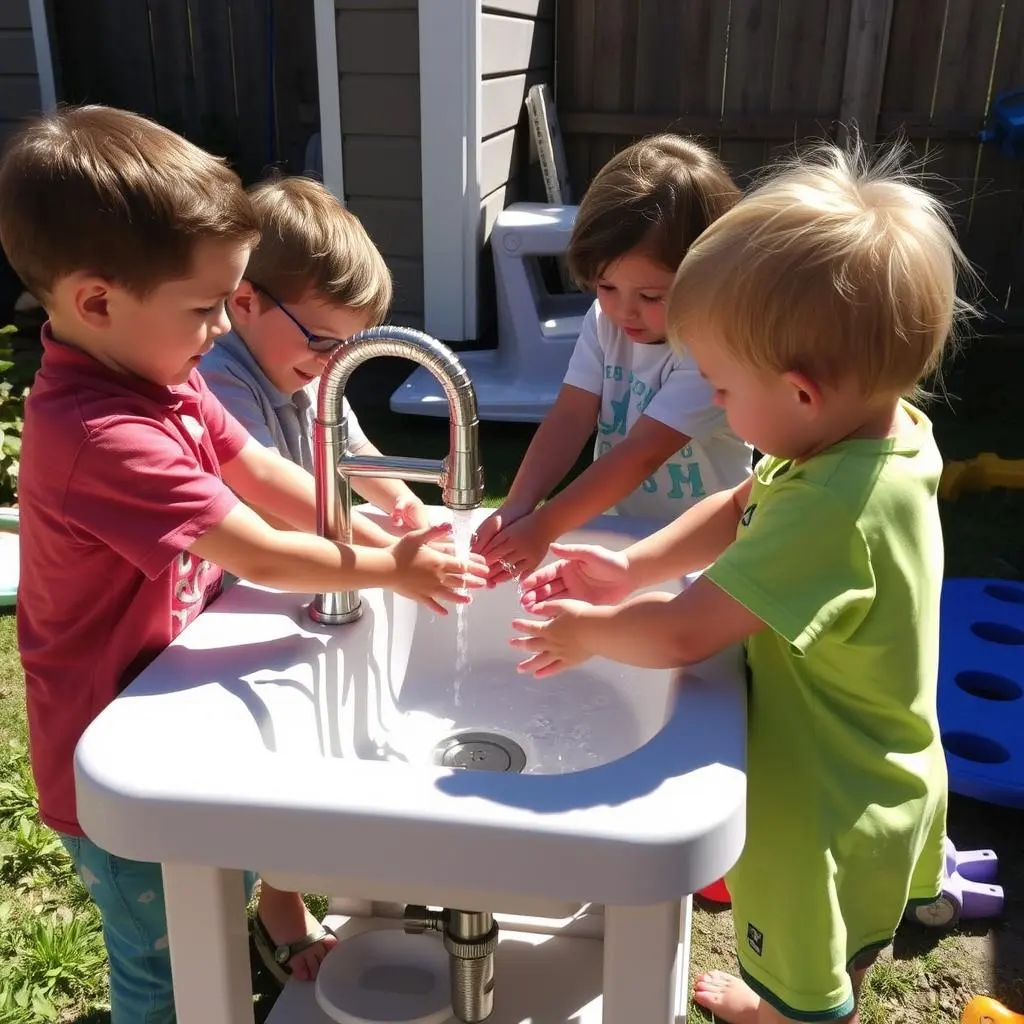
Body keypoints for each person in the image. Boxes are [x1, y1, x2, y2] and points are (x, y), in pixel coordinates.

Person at [0, 104, 486, 1023]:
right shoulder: (101, 434)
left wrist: (388, 540)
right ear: (97, 300)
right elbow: (255, 545)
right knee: (168, 966)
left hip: (176, 702)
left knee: (212, 911)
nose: (223, 326)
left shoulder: (164, 379)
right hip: (114, 751)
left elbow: (263, 472)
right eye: (205, 305)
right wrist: (390, 574)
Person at [511, 139, 963, 1024]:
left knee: (810, 956)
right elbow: (739, 503)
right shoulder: (870, 436)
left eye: (718, 388)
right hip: (874, 757)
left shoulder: (833, 506)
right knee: (846, 937)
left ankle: (794, 1013)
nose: (712, 405)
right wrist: (634, 565)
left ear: (799, 393)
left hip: (821, 793)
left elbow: (685, 634)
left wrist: (586, 632)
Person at [473, 134, 752, 583]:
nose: (624, 310)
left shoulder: (714, 349)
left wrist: (544, 526)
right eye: (606, 286)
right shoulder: (605, 319)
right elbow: (570, 415)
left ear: (708, 277)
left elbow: (642, 453)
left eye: (649, 295)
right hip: (629, 526)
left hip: (709, 546)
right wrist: (519, 505)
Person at [201, 175, 428, 530]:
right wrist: (384, 552)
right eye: (322, 339)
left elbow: (354, 453)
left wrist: (407, 505)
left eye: (348, 346)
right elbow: (268, 490)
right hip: (242, 579)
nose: (334, 360)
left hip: (300, 559)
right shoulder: (217, 377)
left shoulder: (312, 371)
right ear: (245, 302)